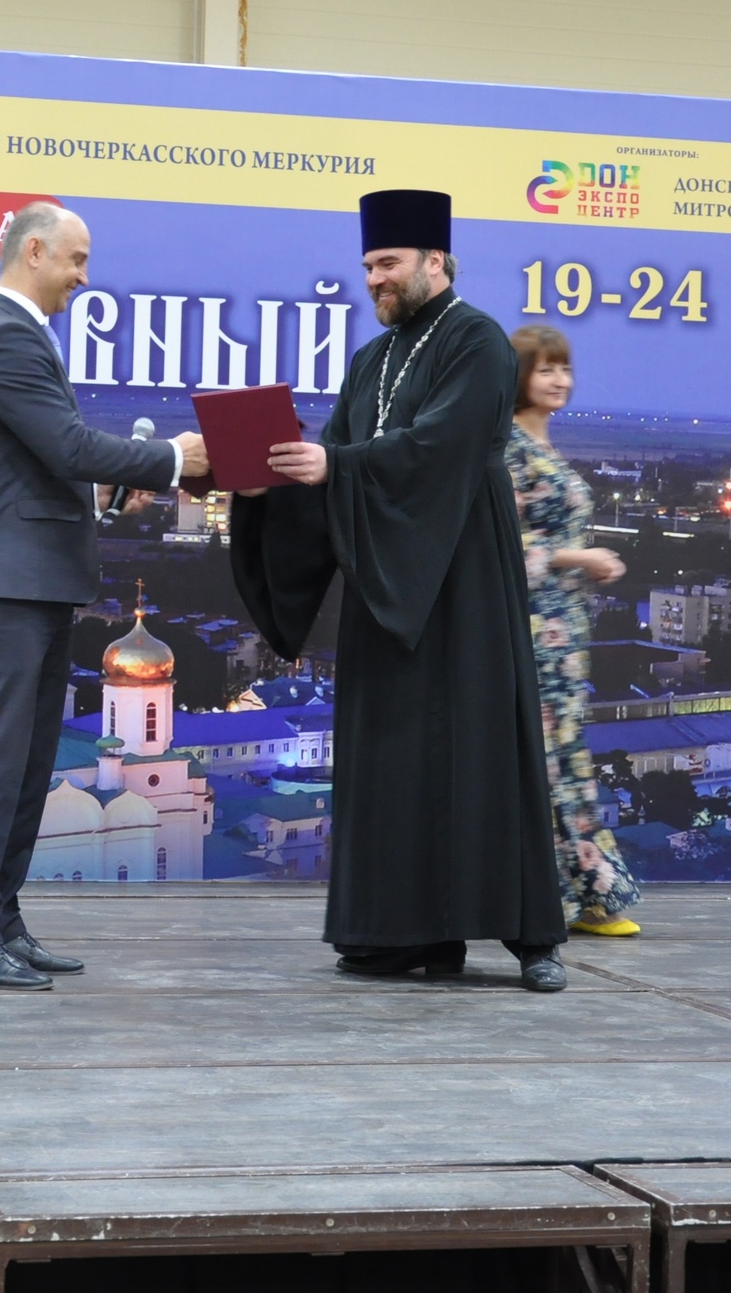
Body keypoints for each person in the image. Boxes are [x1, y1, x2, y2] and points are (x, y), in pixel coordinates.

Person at [228, 189, 567, 991]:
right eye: (369, 267)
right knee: (393, 757)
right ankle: (406, 933)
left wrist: (337, 466)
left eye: (388, 264)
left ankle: (530, 938)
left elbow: (442, 446)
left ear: (434, 261)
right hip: (386, 583)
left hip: (464, 574)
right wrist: (266, 486)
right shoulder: (371, 361)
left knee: (481, 746)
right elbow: (335, 465)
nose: (375, 279)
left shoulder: (479, 341)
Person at [0, 201, 209, 991]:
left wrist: (108, 493)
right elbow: (66, 445)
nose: (84, 278)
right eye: (76, 260)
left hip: (29, 581)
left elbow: (34, 467)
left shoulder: (13, 334)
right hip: (2, 584)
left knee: (24, 768)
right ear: (34, 252)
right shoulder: (5, 335)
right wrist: (171, 459)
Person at [507, 324, 645, 939]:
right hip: (528, 625)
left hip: (561, 627)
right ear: (518, 378)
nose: (560, 380)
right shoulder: (505, 447)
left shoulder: (542, 443)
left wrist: (582, 563)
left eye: (564, 368)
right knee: (542, 758)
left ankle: (587, 895)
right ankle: (554, 898)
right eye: (545, 369)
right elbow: (495, 544)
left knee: (561, 754)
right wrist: (579, 557)